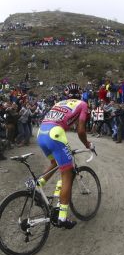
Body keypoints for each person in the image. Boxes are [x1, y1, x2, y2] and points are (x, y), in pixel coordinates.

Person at [37, 83, 93, 229]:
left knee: (55, 162)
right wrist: (87, 144)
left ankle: (37, 187)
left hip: (41, 133)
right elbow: (80, 131)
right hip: (55, 134)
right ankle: (62, 217)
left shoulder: (59, 103)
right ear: (79, 94)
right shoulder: (82, 104)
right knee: (67, 174)